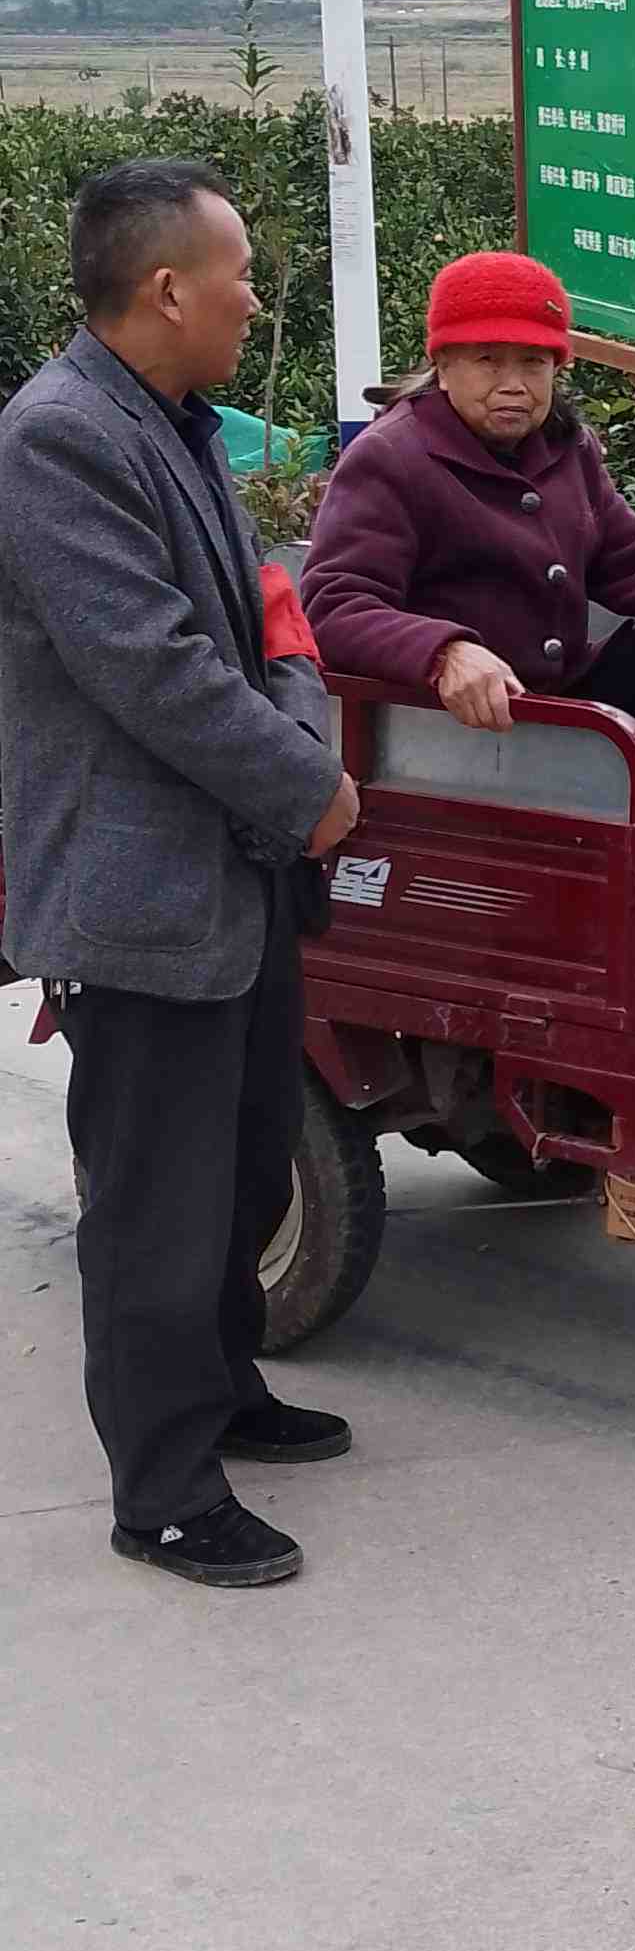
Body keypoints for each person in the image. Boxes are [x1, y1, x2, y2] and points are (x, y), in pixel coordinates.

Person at [0, 160, 363, 1591]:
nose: (254, 299)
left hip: (236, 868)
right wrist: (307, 782)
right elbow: (149, 667)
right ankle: (159, 1488)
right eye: (241, 276)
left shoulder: (176, 421)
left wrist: (306, 747)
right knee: (152, 1200)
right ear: (166, 290)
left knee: (238, 1166)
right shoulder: (57, 440)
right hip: (136, 892)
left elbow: (266, 616)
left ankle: (227, 1393)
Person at [301, 250, 635, 723]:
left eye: (533, 363)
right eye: (489, 361)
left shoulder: (564, 446)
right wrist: (444, 652)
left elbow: (632, 561)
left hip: (566, 703)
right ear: (444, 364)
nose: (514, 384)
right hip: (458, 730)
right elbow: (336, 608)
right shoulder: (392, 457)